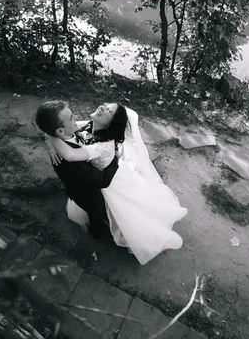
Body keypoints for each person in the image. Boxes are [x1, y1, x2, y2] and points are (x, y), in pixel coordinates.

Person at [45, 102, 188, 265]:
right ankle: (101, 222)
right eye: (105, 105)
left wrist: (51, 137)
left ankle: (125, 233)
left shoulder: (104, 144)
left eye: (108, 110)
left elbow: (70, 155)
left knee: (124, 210)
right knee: (103, 206)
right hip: (98, 175)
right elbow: (60, 126)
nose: (102, 107)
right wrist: (49, 135)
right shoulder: (91, 124)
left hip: (111, 180)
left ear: (110, 123)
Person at [34, 101, 120, 239]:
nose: (76, 117)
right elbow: (103, 180)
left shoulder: (66, 133)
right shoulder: (73, 164)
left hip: (82, 183)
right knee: (96, 214)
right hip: (88, 195)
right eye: (71, 118)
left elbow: (54, 131)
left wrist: (49, 137)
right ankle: (97, 233)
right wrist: (116, 159)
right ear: (60, 131)